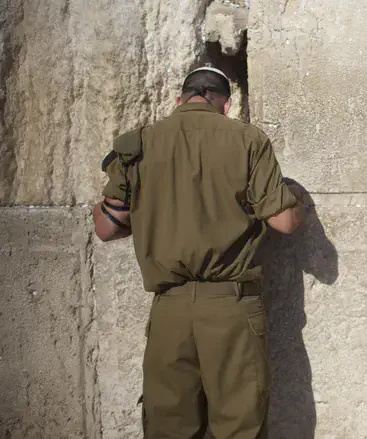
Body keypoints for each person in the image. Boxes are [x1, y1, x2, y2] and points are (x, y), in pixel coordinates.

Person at [92, 65, 310, 439]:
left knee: (168, 429)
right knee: (240, 426)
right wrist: (300, 203)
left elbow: (107, 226)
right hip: (231, 308)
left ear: (180, 99)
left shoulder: (141, 143)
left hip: (170, 311)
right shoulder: (247, 140)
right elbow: (284, 222)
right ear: (224, 104)